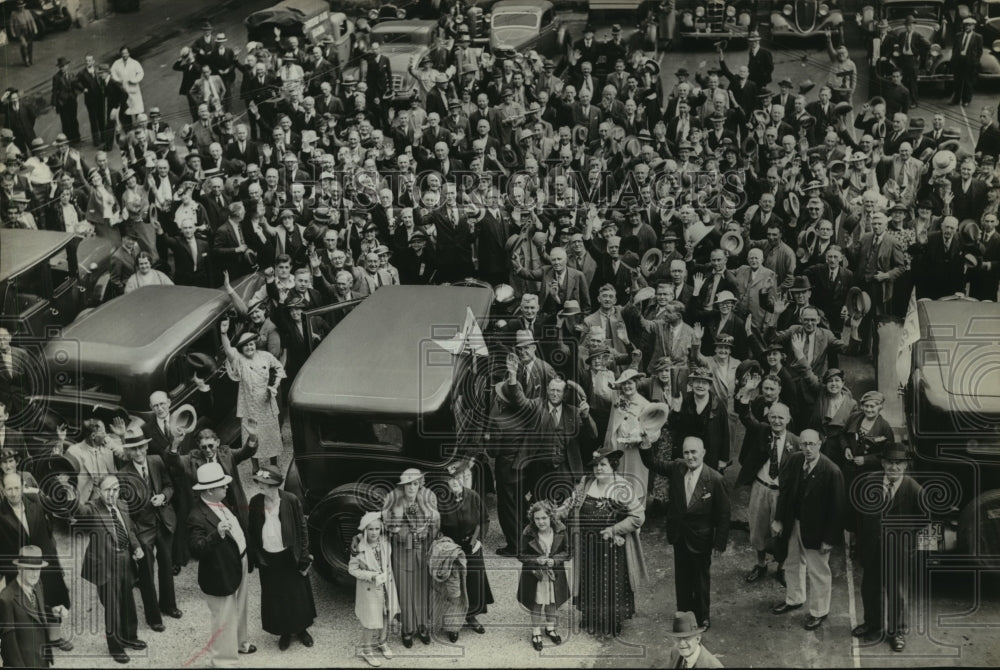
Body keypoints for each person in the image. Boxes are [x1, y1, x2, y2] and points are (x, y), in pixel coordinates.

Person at [556, 445, 645, 638]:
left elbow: (638, 516)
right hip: (587, 545)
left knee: (610, 581)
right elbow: (570, 503)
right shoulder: (586, 483)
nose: (598, 469)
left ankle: (611, 620)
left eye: (603, 465)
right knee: (589, 579)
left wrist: (614, 529)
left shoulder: (622, 486)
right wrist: (553, 514)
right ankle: (591, 615)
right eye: (596, 465)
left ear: (612, 466)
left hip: (612, 546)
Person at [641, 436, 730, 630]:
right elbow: (652, 462)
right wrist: (645, 444)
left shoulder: (715, 479)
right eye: (686, 452)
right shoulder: (677, 468)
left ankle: (702, 616)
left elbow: (723, 514)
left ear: (703, 453)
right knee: (681, 577)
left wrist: (719, 543)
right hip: (679, 535)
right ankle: (683, 614)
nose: (690, 457)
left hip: (701, 539)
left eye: (694, 452)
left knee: (700, 579)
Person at [67, 472, 146, 663]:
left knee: (128, 600)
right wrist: (71, 496)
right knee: (112, 606)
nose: (112, 493)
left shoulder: (122, 504)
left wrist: (136, 547)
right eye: (108, 489)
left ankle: (129, 637)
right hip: (105, 564)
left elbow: (129, 530)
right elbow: (80, 512)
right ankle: (116, 647)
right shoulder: (93, 508)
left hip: (125, 559)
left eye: (116, 488)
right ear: (99, 491)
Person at [852, 444, 924, 652]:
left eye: (898, 463)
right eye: (890, 462)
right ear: (883, 463)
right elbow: (860, 514)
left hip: (898, 552)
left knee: (897, 593)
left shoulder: (913, 488)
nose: (893, 467)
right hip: (872, 548)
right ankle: (872, 624)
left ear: (905, 465)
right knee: (870, 589)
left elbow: (924, 519)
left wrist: (904, 537)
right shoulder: (869, 481)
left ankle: (897, 631)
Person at [771, 428, 845, 630]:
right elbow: (785, 492)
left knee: (818, 571)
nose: (808, 448)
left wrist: (829, 539)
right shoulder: (795, 460)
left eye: (812, 444)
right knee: (792, 563)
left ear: (820, 444)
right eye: (804, 444)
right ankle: (794, 598)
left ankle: (819, 611)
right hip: (793, 523)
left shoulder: (831, 471)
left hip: (816, 530)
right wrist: (779, 519)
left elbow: (837, 510)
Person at [188, 462, 257, 664]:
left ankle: (240, 643)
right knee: (224, 617)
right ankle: (223, 661)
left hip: (239, 560)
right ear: (209, 490)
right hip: (220, 572)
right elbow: (196, 548)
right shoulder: (196, 516)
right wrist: (216, 534)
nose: (227, 488)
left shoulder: (220, 502)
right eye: (222, 486)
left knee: (241, 606)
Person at [0, 473, 73, 652]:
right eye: (8, 489)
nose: (13, 493)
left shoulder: (36, 500)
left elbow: (55, 516)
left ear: (23, 485)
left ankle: (55, 637)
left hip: (44, 559)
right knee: (23, 604)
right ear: (2, 489)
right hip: (16, 565)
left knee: (53, 596)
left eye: (17, 487)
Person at [247, 466, 316, 652]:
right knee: (276, 596)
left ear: (274, 484)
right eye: (259, 483)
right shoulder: (255, 501)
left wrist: (304, 555)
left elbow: (302, 528)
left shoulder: (291, 500)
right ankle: (285, 632)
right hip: (268, 558)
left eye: (264, 484)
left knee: (297, 595)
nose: (260, 486)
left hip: (289, 556)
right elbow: (251, 530)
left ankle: (302, 630)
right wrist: (256, 556)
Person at [118, 431, 182, 631]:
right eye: (133, 449)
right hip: (142, 528)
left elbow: (169, 486)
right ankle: (153, 617)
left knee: (167, 565)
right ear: (128, 452)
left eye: (141, 447)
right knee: (146, 572)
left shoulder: (156, 461)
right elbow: (124, 511)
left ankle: (168, 605)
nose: (138, 452)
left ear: (146, 447)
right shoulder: (122, 475)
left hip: (163, 521)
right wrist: (134, 537)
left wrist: (163, 496)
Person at [382, 468, 439, 647]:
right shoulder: (394, 503)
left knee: (423, 591)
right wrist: (407, 535)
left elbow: (434, 527)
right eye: (408, 484)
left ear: (420, 485)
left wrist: (425, 533)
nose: (412, 488)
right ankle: (407, 630)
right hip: (402, 555)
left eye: (415, 483)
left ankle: (423, 627)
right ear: (403, 486)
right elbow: (389, 530)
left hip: (422, 555)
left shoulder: (427, 501)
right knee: (405, 593)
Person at [437, 458, 494, 638]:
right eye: (452, 479)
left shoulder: (473, 496)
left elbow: (484, 520)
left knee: (474, 583)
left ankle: (472, 617)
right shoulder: (441, 500)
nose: (456, 482)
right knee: (453, 586)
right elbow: (437, 527)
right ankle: (453, 623)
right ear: (447, 481)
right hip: (452, 549)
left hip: (472, 546)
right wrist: (446, 545)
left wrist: (479, 540)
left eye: (460, 478)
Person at [219, 320, 285, 470]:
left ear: (255, 345)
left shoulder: (266, 356)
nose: (249, 347)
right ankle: (255, 467)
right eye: (246, 345)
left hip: (267, 402)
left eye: (251, 344)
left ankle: (273, 465)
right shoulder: (239, 360)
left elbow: (279, 368)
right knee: (251, 435)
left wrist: (274, 385)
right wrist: (223, 333)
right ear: (241, 348)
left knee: (271, 434)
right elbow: (229, 350)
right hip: (249, 405)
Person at [0, 546, 70, 668]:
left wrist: (52, 611)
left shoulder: (37, 584)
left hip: (42, 660)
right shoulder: (6, 599)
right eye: (30, 569)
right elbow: (9, 647)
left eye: (38, 569)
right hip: (24, 664)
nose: (35, 574)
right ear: (19, 568)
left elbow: (37, 611)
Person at [516, 500, 570, 651]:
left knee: (552, 602)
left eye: (544, 518)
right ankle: (536, 632)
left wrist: (555, 560)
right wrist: (535, 560)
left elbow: (568, 552)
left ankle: (550, 628)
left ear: (550, 517)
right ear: (532, 519)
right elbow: (520, 554)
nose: (541, 522)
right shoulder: (528, 532)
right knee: (537, 603)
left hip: (554, 574)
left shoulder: (560, 530)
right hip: (535, 575)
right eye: (537, 519)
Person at [349, 511, 399, 667]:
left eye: (377, 529)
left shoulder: (385, 544)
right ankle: (366, 649)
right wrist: (370, 576)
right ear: (364, 530)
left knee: (386, 615)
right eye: (370, 529)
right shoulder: (359, 549)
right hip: (370, 589)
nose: (374, 532)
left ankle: (382, 642)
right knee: (370, 622)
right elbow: (352, 569)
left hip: (386, 587)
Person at [51, 56, 81, 142]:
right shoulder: (56, 77)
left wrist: (76, 93)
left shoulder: (71, 74)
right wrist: (54, 103)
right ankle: (68, 139)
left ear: (67, 66)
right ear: (59, 67)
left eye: (64, 66)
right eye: (61, 66)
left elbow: (76, 85)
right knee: (65, 122)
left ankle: (76, 138)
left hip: (72, 101)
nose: (63, 68)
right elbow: (54, 90)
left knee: (74, 119)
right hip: (62, 102)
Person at [8, 0, 38, 67]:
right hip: (20, 32)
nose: (21, 8)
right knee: (24, 45)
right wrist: (13, 32)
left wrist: (35, 29)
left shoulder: (27, 12)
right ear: (17, 7)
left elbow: (32, 20)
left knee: (30, 46)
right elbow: (11, 24)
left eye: (22, 6)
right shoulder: (14, 14)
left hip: (28, 30)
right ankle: (26, 61)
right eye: (19, 7)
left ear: (24, 6)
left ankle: (30, 59)